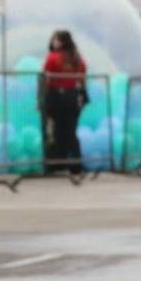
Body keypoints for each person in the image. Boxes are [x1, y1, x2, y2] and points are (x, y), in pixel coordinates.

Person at [40, 30, 87, 180]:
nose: (53, 42)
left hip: (55, 97)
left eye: (55, 39)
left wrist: (41, 98)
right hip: (72, 97)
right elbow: (82, 74)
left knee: (55, 131)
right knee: (71, 131)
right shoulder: (77, 58)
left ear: (60, 41)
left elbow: (46, 78)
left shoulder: (53, 57)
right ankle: (75, 164)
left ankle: (55, 163)